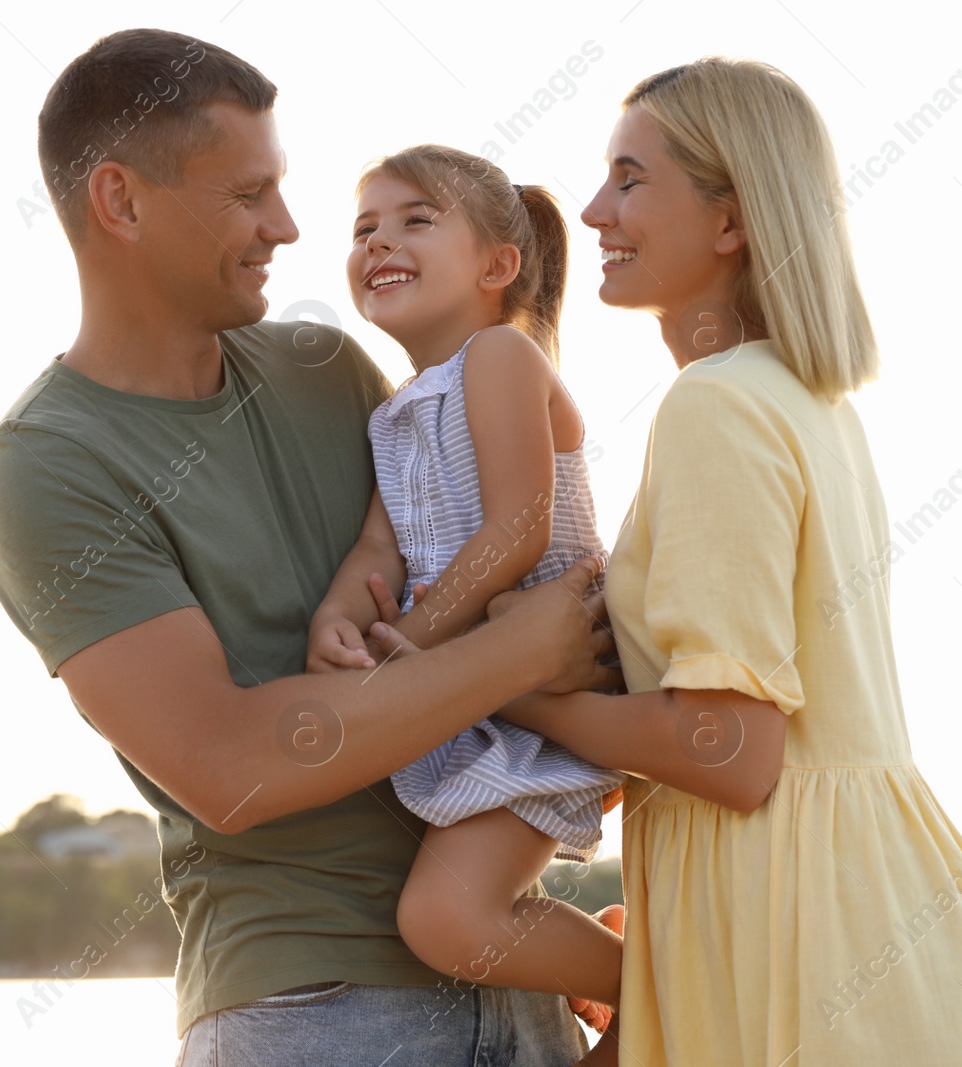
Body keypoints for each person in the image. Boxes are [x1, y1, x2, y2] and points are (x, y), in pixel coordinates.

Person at [0, 28, 613, 1067]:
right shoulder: (48, 467)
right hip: (312, 1010)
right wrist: (521, 653)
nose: (286, 225)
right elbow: (227, 763)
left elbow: (446, 549)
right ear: (121, 202)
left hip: (517, 982)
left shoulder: (326, 368)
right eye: (246, 194)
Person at [494, 58, 962, 1065]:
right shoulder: (810, 406)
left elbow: (730, 747)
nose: (591, 211)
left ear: (731, 221)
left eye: (630, 178)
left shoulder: (716, 405)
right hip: (886, 944)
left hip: (811, 957)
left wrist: (503, 688)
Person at [305, 144, 627, 1030]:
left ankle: (654, 981)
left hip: (553, 690)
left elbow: (519, 529)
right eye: (364, 227)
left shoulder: (500, 357)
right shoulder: (396, 410)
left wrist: (417, 640)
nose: (380, 241)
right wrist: (341, 616)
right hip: (480, 698)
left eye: (414, 219)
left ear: (498, 266)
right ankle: (622, 964)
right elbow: (381, 547)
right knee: (451, 907)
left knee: (445, 917)